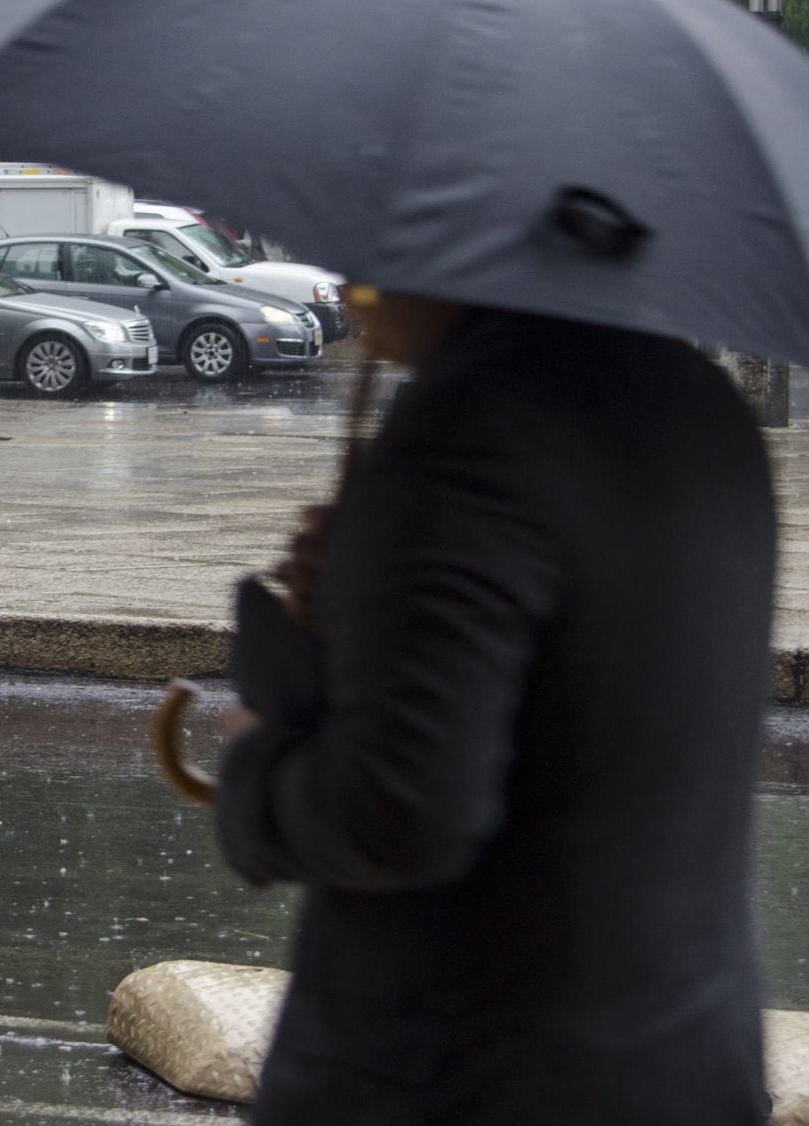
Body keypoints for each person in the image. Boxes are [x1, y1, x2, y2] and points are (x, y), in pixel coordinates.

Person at [216, 286, 776, 1123]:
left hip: (474, 1075)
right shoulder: (702, 406)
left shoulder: (466, 434)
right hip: (688, 1064)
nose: (348, 284)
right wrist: (364, 601)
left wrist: (256, 762)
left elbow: (397, 808)